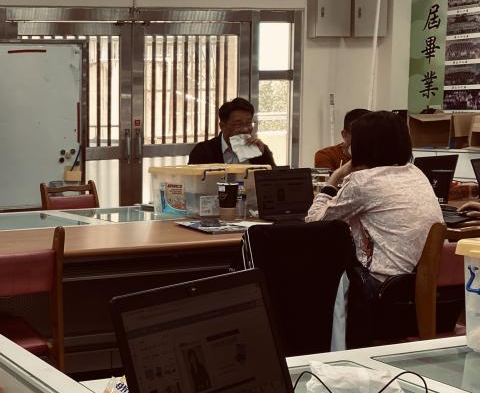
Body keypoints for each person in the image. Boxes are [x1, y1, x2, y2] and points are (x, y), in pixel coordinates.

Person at [306, 111, 442, 281]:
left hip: (383, 284)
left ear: (362, 146)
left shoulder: (363, 181)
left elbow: (314, 223)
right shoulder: (416, 172)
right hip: (421, 280)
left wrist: (336, 175)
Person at [188, 97, 276, 167]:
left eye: (249, 123)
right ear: (222, 126)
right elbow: (192, 181)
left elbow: (274, 181)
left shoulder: (260, 149)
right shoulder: (203, 151)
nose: (245, 129)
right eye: (238, 124)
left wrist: (262, 155)